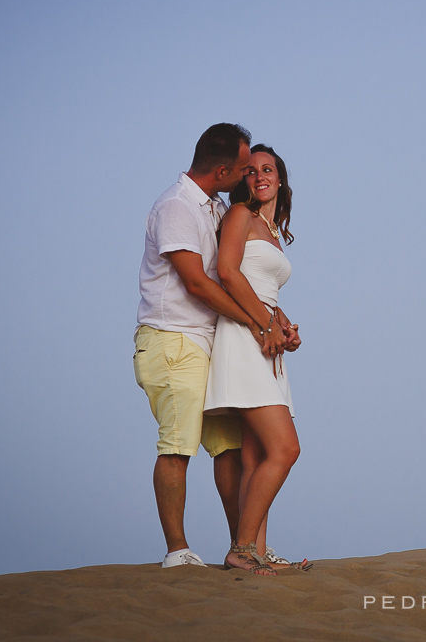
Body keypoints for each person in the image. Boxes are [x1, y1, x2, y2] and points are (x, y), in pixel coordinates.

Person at [133, 123, 282, 568]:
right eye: (241, 168)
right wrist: (257, 325)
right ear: (221, 169)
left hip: (210, 344)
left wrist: (276, 320)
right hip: (173, 340)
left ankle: (245, 548)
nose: (245, 176)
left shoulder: (215, 209)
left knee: (230, 449)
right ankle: (177, 551)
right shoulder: (177, 206)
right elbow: (198, 283)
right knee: (177, 446)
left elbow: (237, 273)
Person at [205, 144, 311, 574]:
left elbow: (263, 286)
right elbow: (228, 273)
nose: (259, 176)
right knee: (286, 448)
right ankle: (242, 548)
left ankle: (257, 552)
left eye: (268, 169)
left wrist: (283, 325)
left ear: (280, 179)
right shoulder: (240, 217)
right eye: (250, 171)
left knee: (255, 456)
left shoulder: (270, 230)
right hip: (243, 336)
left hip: (265, 337)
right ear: (243, 181)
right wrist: (264, 322)